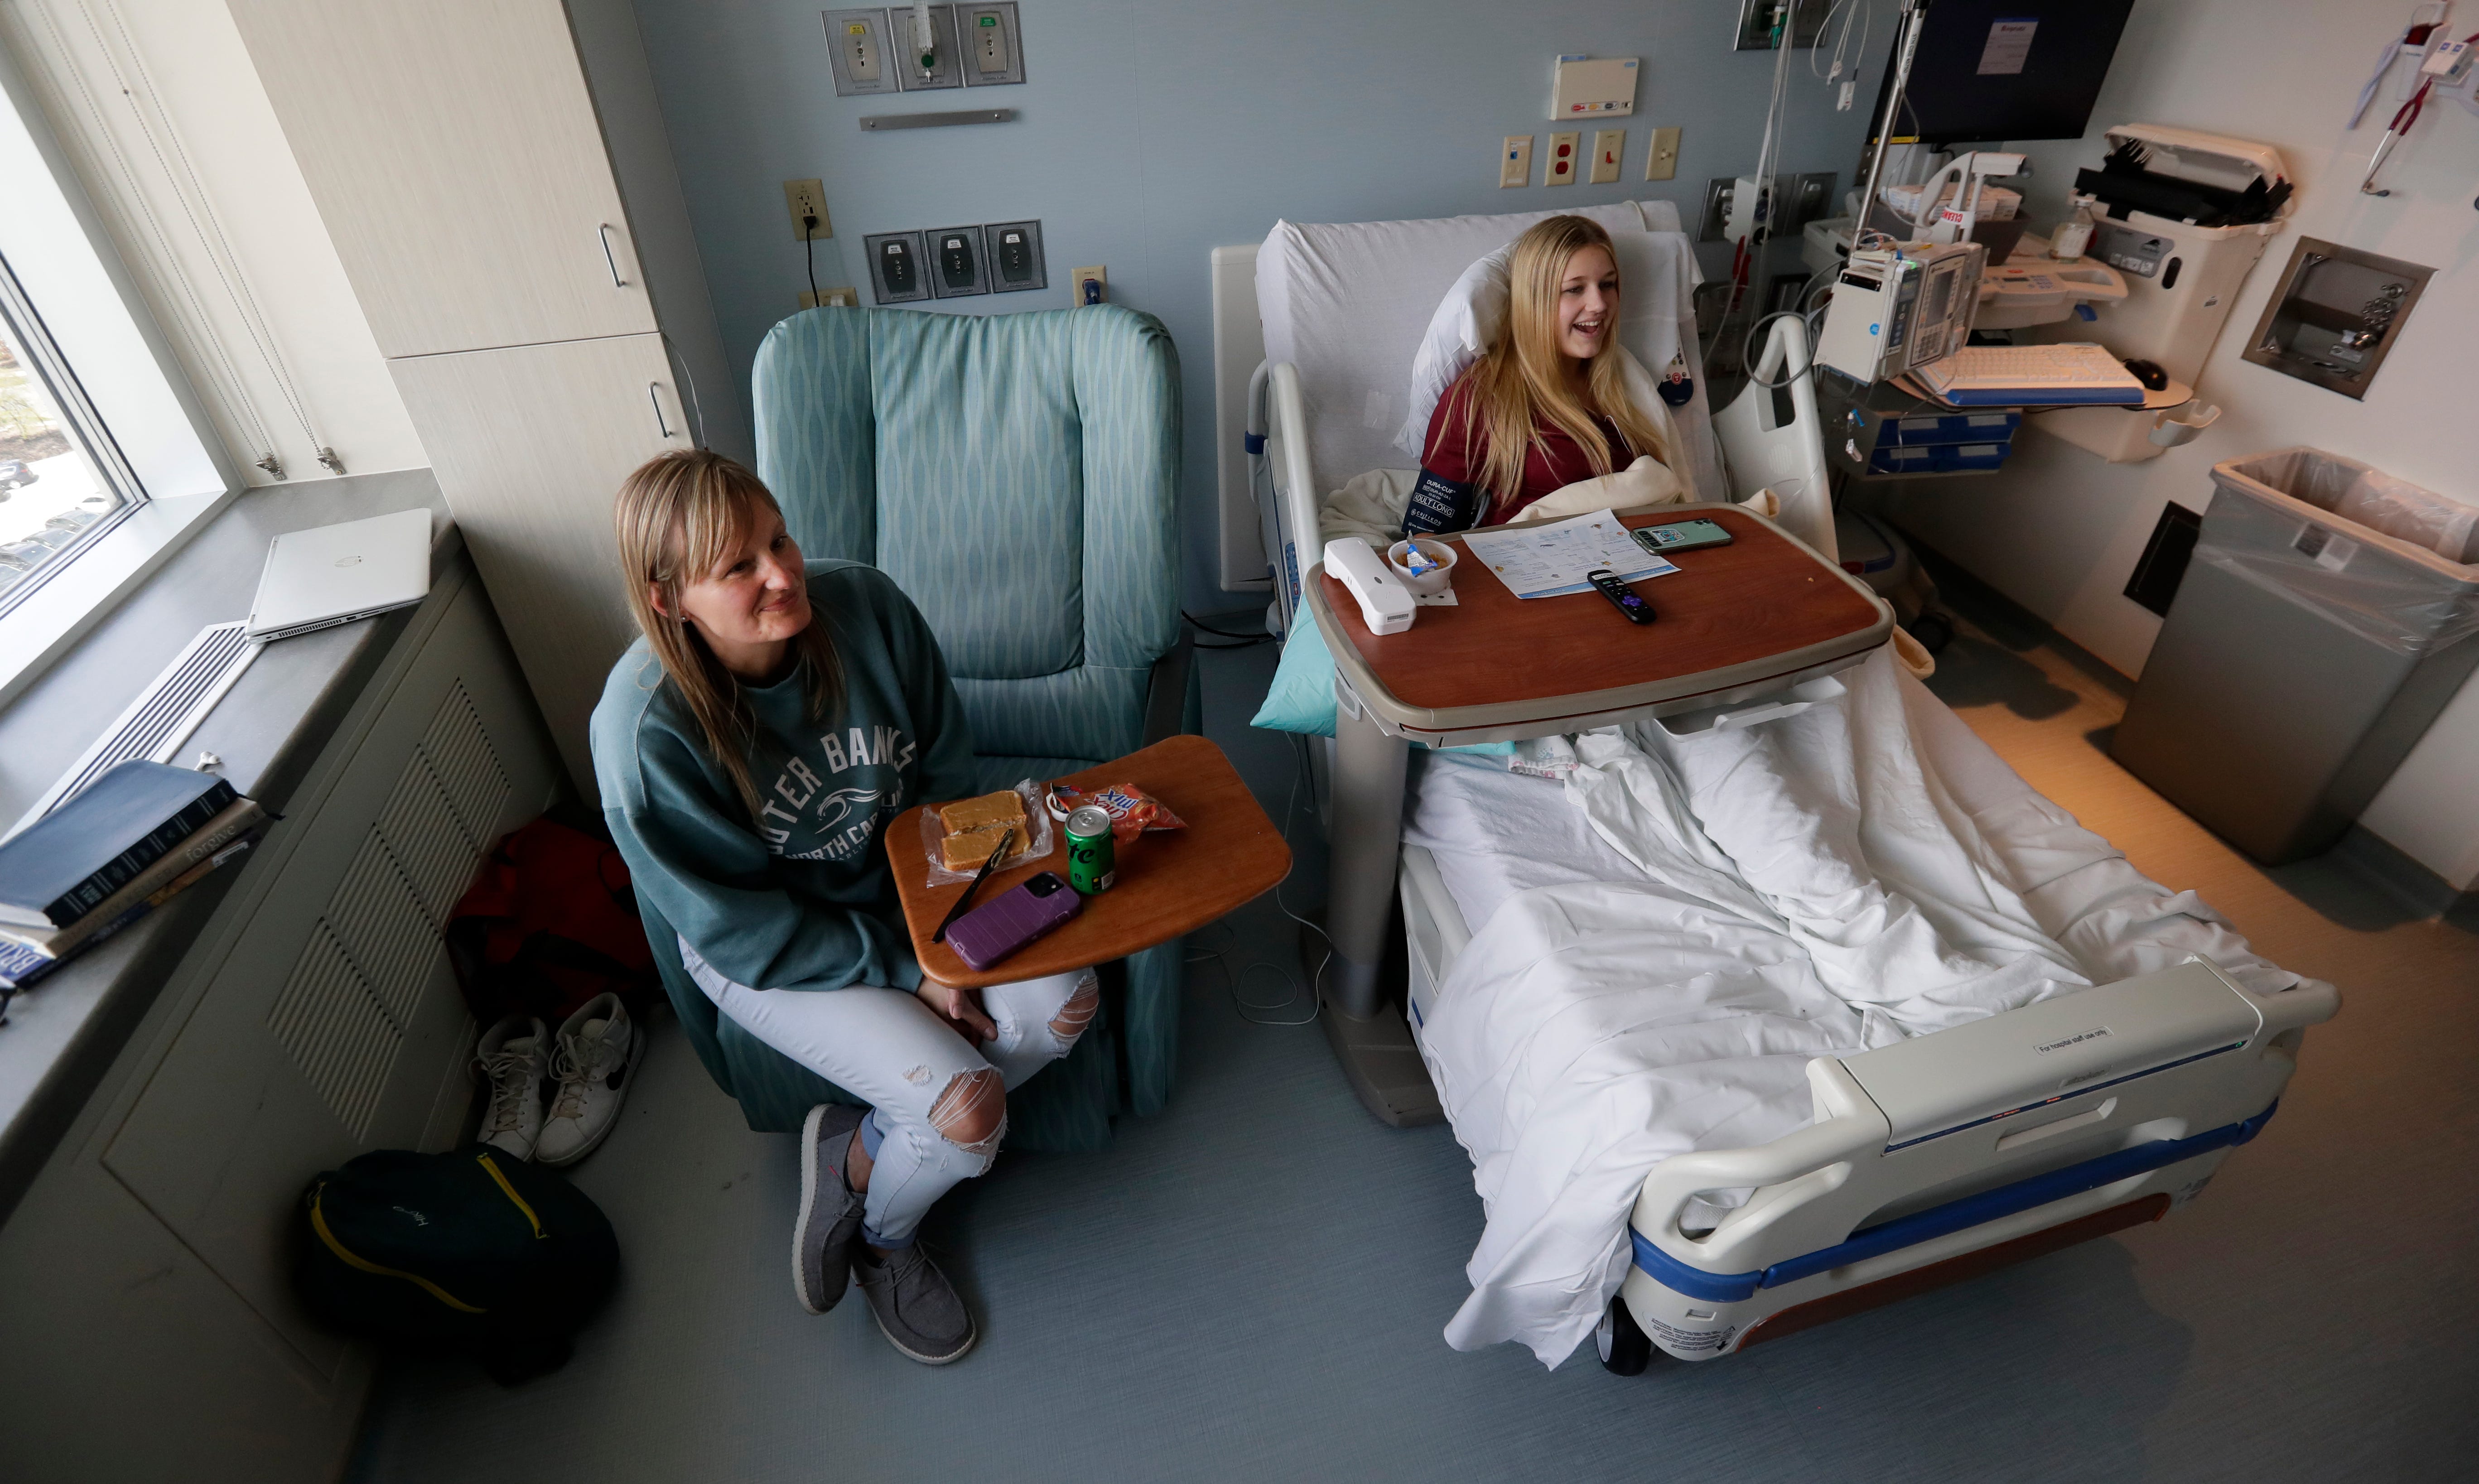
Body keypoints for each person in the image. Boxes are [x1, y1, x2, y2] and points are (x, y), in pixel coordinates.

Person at [591, 449, 1098, 1366]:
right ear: (668, 600)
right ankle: (885, 1240)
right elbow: (742, 929)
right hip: (767, 944)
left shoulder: (867, 606)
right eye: (738, 566)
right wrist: (911, 972)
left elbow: (944, 783)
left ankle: (855, 1154)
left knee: (1066, 1005)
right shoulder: (643, 737)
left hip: (906, 890)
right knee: (968, 1115)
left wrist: (939, 933)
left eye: (779, 540)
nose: (783, 574)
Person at [1408, 214, 1682, 533]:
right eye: (1575, 289)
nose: (1599, 304)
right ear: (1533, 300)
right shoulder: (1481, 398)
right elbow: (1425, 539)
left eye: (1607, 285)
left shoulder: (1626, 380)